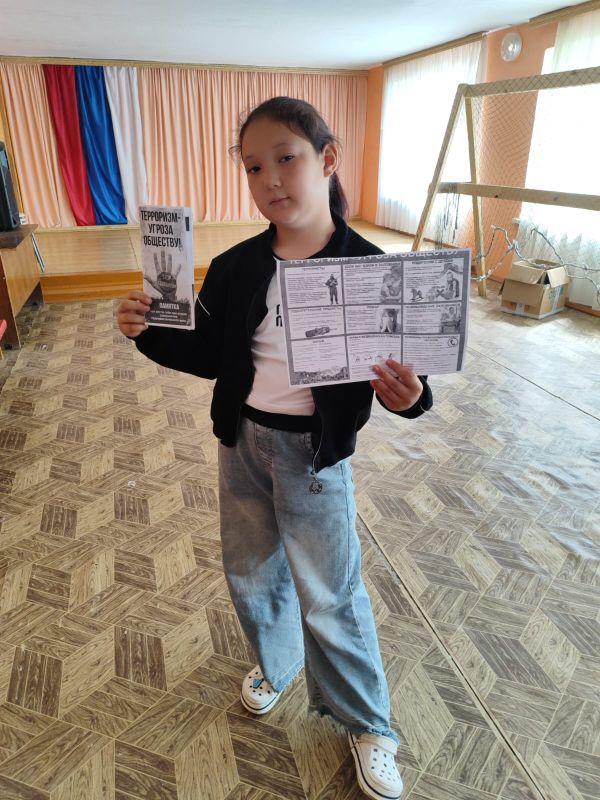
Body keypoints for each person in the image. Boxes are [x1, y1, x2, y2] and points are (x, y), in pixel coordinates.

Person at [117, 96, 432, 800]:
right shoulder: (236, 266)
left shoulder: (369, 270)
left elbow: (408, 380)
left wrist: (409, 396)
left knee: (331, 593)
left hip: (315, 459)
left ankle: (370, 723)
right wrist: (146, 332)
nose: (270, 180)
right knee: (251, 570)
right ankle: (278, 662)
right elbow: (211, 353)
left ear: (327, 159)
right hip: (242, 444)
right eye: (254, 167)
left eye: (286, 158)